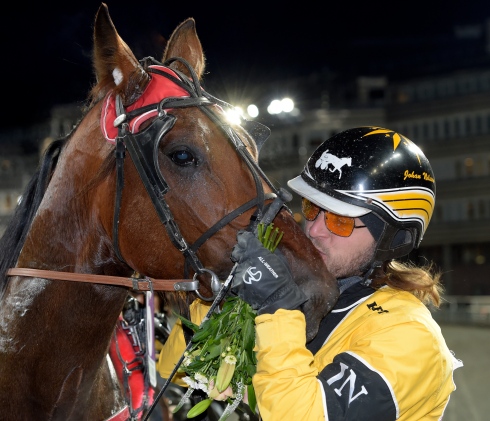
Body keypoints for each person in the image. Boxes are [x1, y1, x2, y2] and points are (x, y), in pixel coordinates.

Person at [157, 126, 463, 420]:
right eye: (313, 209)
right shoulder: (305, 295)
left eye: (339, 221)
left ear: (391, 237)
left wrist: (277, 307)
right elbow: (174, 368)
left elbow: (301, 415)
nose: (314, 229)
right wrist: (225, 294)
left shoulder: (410, 339)